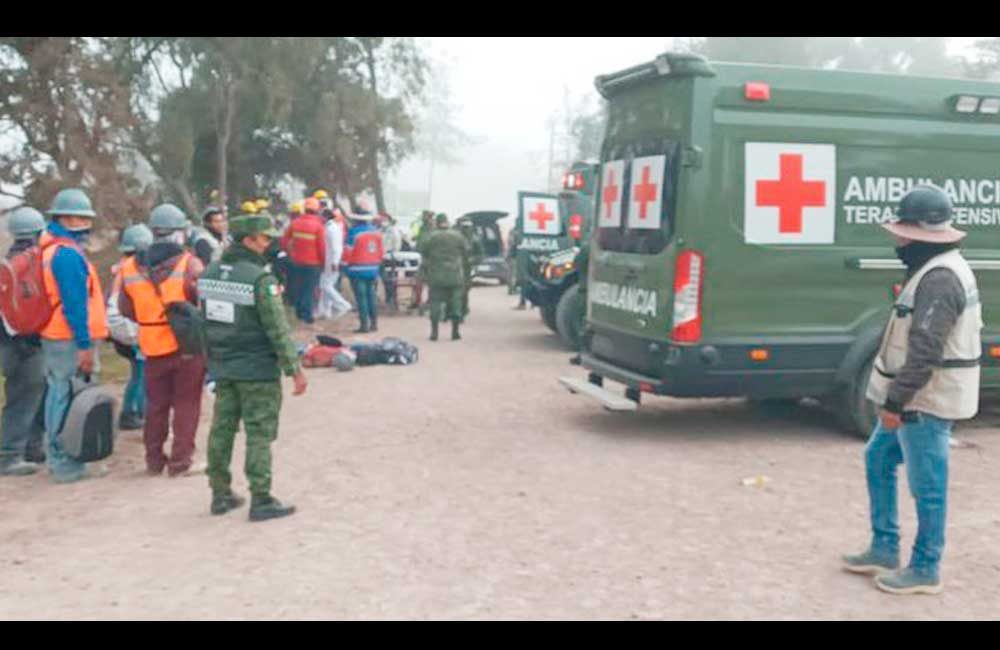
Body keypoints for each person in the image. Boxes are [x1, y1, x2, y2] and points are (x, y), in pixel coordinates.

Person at [843, 184, 983, 596]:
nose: (898, 241)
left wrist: (896, 403)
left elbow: (924, 352)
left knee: (928, 485)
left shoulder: (939, 279)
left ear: (921, 234)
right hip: (919, 397)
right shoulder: (935, 269)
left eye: (903, 233)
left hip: (925, 401)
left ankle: (926, 567)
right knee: (877, 459)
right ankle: (884, 548)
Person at [198, 213, 307, 521]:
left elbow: (205, 323)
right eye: (264, 238)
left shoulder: (210, 274)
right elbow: (277, 328)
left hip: (224, 366)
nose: (269, 243)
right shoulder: (261, 280)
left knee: (222, 429)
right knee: (259, 432)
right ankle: (261, 498)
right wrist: (294, 369)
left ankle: (220, 494)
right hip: (257, 369)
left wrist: (212, 361)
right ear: (248, 240)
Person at [119, 204, 207, 477]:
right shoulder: (189, 264)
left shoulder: (130, 267)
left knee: (155, 406)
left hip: (151, 344)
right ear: (180, 232)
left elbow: (125, 308)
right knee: (187, 403)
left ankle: (154, 460)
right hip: (187, 346)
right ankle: (181, 462)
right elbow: (203, 302)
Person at [39, 188, 109, 483]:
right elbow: (75, 304)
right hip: (68, 336)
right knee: (65, 396)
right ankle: (63, 460)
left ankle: (60, 456)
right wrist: (83, 344)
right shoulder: (66, 254)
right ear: (65, 217)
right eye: (80, 217)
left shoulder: (51, 248)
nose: (85, 223)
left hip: (55, 333)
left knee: (59, 393)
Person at [0, 207, 48, 476]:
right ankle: (11, 454)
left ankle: (30, 448)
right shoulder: (34, 264)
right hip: (28, 342)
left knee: (25, 394)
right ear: (39, 232)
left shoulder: (8, 264)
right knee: (25, 396)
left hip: (7, 340)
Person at [107, 223, 154, 431]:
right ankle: (136, 413)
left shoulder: (121, 266)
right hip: (132, 328)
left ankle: (130, 411)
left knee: (138, 373)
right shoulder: (133, 269)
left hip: (122, 330)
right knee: (143, 373)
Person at [419, 213, 470, 341]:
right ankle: (455, 332)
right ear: (447, 222)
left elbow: (422, 251)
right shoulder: (458, 236)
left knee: (435, 302)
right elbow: (466, 250)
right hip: (455, 275)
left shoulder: (430, 237)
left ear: (437, 222)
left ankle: (434, 333)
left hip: (436, 274)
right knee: (456, 303)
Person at [281, 197, 326, 325]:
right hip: (313, 263)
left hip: (297, 261)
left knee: (299, 287)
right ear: (317, 210)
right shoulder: (318, 225)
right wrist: (323, 262)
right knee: (309, 288)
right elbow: (321, 247)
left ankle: (299, 312)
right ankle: (307, 314)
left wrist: (290, 253)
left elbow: (284, 241)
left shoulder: (295, 223)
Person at [344, 211, 385, 333]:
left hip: (357, 269)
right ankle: (374, 323)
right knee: (371, 296)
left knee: (361, 297)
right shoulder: (377, 233)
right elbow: (381, 252)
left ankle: (364, 325)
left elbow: (348, 252)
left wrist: (345, 267)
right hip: (373, 269)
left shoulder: (353, 232)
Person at [315, 205, 352, 320]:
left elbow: (336, 247)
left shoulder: (332, 229)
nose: (319, 218)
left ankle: (343, 305)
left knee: (326, 286)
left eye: (320, 216)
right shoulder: (329, 227)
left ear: (325, 217)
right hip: (329, 261)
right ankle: (325, 311)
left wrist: (335, 262)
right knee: (324, 285)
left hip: (332, 261)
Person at [457, 218, 484, 318]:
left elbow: (481, 255)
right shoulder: (456, 237)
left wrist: (472, 260)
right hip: (455, 267)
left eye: (467, 227)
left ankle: (463, 309)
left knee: (464, 290)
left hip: (467, 268)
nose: (466, 229)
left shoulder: (475, 239)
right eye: (464, 227)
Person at [410, 210, 436, 312]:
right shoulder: (422, 228)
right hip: (421, 258)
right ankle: (417, 301)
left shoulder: (434, 229)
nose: (425, 219)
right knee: (418, 281)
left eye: (427, 217)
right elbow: (420, 241)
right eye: (424, 217)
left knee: (431, 283)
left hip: (431, 259)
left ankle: (430, 302)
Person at [379, 213, 405, 311]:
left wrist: (393, 254)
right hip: (382, 258)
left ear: (389, 220)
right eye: (381, 219)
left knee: (392, 281)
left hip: (391, 258)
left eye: (384, 219)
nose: (382, 221)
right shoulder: (380, 230)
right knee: (385, 281)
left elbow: (397, 245)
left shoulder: (394, 231)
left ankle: (393, 301)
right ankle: (388, 299)